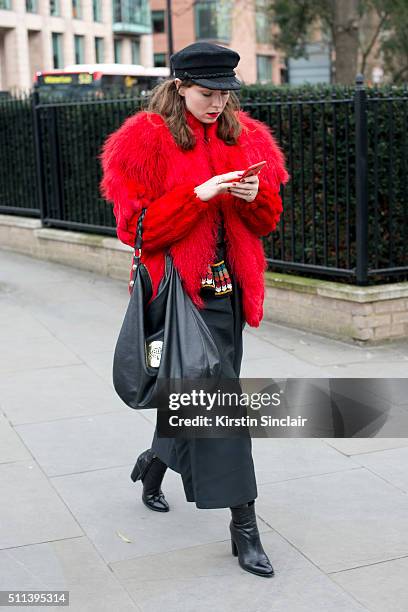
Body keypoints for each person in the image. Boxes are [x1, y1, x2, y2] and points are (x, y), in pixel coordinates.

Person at [100, 42, 289, 578]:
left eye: (225, 94)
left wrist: (255, 195)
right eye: (207, 93)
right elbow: (135, 231)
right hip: (184, 299)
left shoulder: (245, 133)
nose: (217, 104)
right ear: (179, 86)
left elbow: (266, 222)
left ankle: (153, 464)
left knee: (201, 400)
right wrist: (198, 195)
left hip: (231, 297)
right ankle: (245, 526)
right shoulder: (144, 139)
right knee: (222, 410)